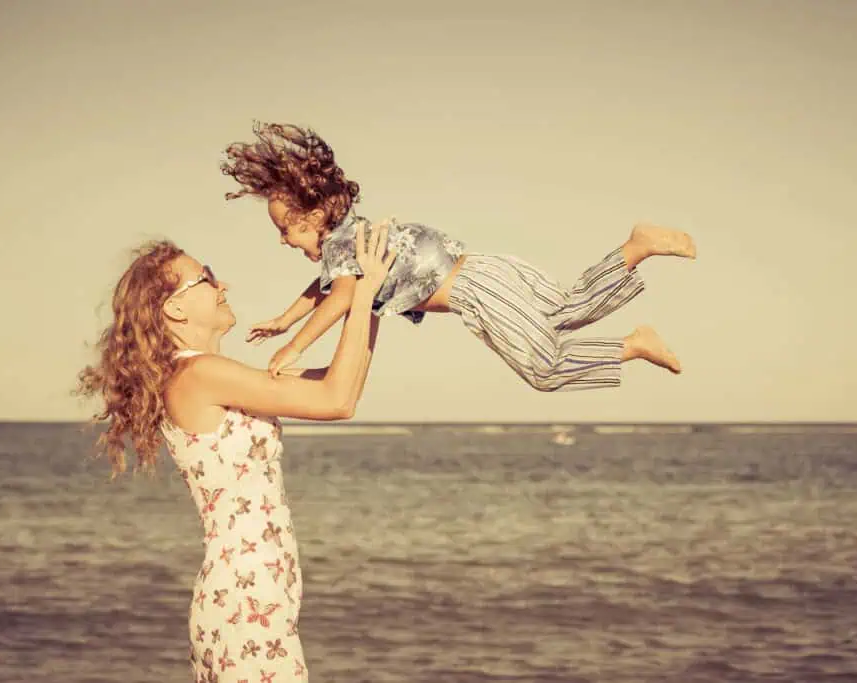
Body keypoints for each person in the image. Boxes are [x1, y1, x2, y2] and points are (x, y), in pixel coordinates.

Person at [76, 222, 395, 682]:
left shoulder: (208, 375)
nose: (222, 284)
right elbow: (336, 401)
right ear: (175, 307)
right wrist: (365, 292)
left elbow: (342, 383)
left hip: (253, 595)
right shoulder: (199, 375)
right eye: (206, 277)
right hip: (245, 602)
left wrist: (377, 296)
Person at [221, 122, 697, 392]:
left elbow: (340, 297)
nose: (284, 241)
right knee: (571, 308)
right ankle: (635, 248)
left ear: (318, 214)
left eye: (288, 230)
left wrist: (295, 346)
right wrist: (285, 318)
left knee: (545, 370)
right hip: (490, 267)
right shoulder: (351, 240)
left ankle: (632, 345)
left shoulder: (345, 247)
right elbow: (326, 289)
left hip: (476, 291)